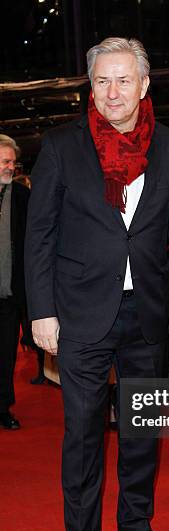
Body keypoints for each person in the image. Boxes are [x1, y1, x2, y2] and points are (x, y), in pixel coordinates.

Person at [25, 37, 169, 531]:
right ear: (90, 86)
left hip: (146, 314)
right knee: (81, 436)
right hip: (78, 315)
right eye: (102, 80)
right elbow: (40, 236)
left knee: (143, 433)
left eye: (124, 80)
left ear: (145, 86)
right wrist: (42, 312)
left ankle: (137, 526)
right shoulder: (60, 146)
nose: (113, 92)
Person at [0, 135, 29, 430]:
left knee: (6, 356)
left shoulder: (22, 196)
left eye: (12, 162)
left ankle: (2, 407)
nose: (11, 167)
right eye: (5, 162)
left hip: (9, 295)